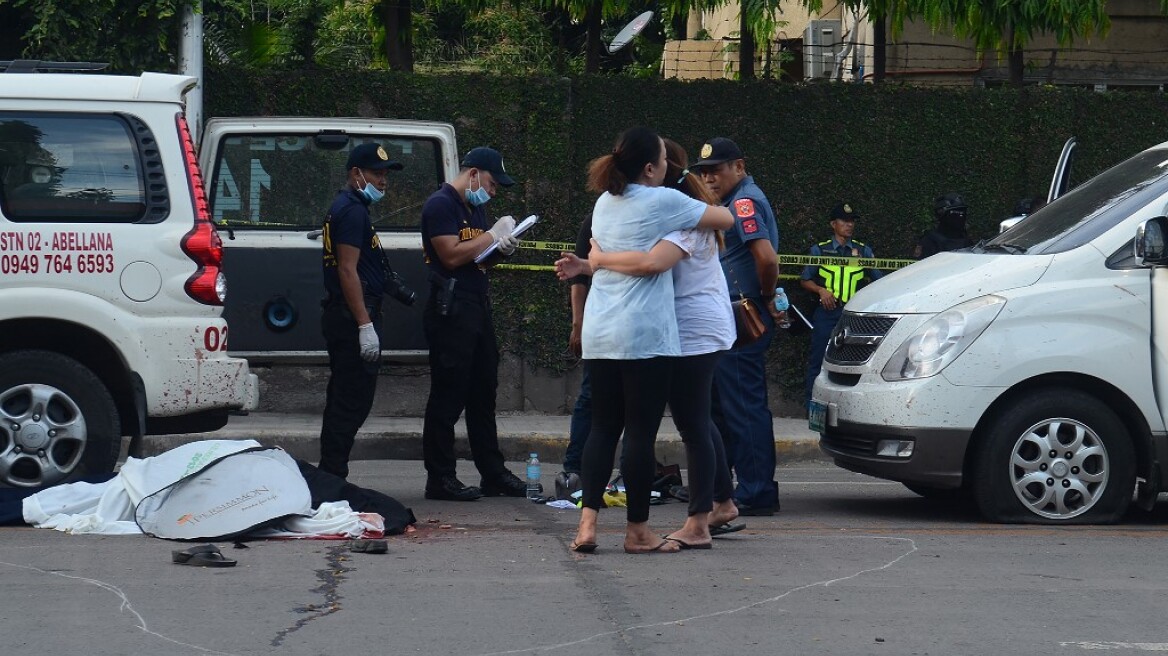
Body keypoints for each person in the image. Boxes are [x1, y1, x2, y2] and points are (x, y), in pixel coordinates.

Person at [556, 127, 733, 554]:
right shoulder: (665, 201)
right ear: (653, 168)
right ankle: (637, 531)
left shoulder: (602, 203)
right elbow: (723, 219)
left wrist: (596, 260)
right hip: (645, 334)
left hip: (601, 327)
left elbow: (624, 259)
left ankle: (587, 525)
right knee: (640, 433)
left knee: (601, 428)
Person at [420, 146, 526, 501]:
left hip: (476, 305)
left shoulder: (475, 207)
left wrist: (501, 248)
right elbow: (450, 255)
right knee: (449, 394)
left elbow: (477, 259)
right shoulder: (441, 204)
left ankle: (492, 473)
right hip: (450, 308)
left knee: (484, 393)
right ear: (474, 174)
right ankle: (440, 477)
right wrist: (492, 235)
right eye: (492, 184)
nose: (492, 193)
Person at [691, 137, 783, 517]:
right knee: (725, 406)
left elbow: (766, 258)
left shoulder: (743, 203)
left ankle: (758, 489)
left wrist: (762, 298)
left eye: (717, 169)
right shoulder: (728, 203)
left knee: (743, 406)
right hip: (732, 316)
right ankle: (724, 488)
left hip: (743, 315)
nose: (709, 177)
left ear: (740, 168)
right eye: (704, 171)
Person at [318, 142, 403, 480]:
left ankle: (332, 473)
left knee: (345, 399)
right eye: (376, 174)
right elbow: (347, 270)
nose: (383, 181)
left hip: (346, 314)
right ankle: (332, 475)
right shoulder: (351, 210)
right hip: (352, 315)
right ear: (356, 174)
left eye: (385, 175)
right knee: (350, 402)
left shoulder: (349, 207)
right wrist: (364, 325)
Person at [800, 202, 883, 408]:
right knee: (819, 359)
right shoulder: (820, 250)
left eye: (852, 221)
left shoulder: (863, 251)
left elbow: (880, 281)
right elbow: (805, 279)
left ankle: (848, 407)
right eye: (844, 221)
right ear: (833, 224)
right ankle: (813, 407)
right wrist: (821, 290)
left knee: (854, 362)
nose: (849, 225)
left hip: (854, 315)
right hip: (828, 312)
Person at [915, 192, 974, 259]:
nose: (960, 216)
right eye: (955, 213)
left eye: (962, 212)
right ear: (941, 214)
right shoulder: (930, 241)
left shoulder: (966, 240)